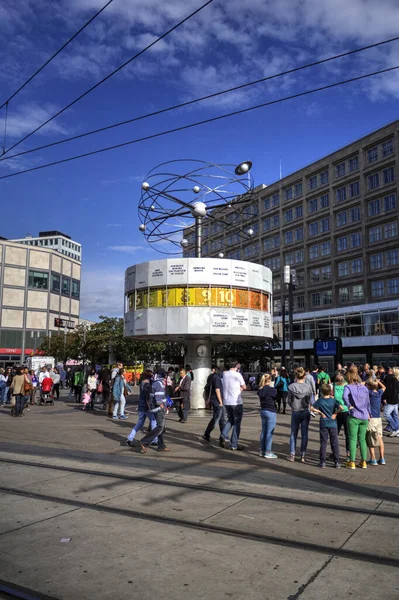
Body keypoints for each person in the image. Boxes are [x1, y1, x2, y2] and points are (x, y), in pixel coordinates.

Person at [343, 367, 371, 470]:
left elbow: (344, 397)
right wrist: (369, 413)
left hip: (354, 415)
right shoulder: (364, 388)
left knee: (352, 439)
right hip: (364, 415)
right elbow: (368, 402)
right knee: (362, 439)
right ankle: (363, 462)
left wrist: (349, 405)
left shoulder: (348, 387)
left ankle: (352, 462)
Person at [311, 383, 341, 468]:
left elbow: (311, 408)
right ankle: (337, 462)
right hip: (333, 423)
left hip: (324, 422)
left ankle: (322, 462)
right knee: (334, 442)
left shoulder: (320, 400)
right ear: (330, 391)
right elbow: (341, 407)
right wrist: (335, 413)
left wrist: (320, 412)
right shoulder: (333, 400)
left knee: (323, 443)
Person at [139, 371, 170, 453]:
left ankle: (161, 445)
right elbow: (158, 397)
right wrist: (161, 404)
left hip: (157, 408)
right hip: (159, 408)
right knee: (160, 427)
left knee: (160, 427)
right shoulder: (159, 384)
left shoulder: (155, 383)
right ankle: (144, 441)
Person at [287, 367, 313, 462]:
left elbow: (288, 401)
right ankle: (303, 455)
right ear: (304, 376)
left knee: (293, 433)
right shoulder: (308, 387)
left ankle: (292, 454)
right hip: (305, 410)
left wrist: (293, 405)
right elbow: (311, 400)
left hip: (295, 410)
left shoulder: (291, 387)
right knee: (304, 433)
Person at [125, 370, 157, 446]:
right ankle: (154, 440)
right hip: (146, 407)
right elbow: (147, 398)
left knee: (140, 423)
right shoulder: (146, 385)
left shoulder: (142, 383)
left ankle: (129, 438)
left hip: (141, 406)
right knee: (153, 421)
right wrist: (150, 407)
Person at [220, 361, 246, 451]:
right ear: (236, 366)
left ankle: (223, 434)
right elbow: (245, 387)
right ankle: (234, 444)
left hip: (227, 401)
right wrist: (240, 388)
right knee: (237, 423)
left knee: (230, 419)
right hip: (236, 402)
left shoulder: (224, 374)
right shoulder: (237, 375)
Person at [365, 378, 386, 465]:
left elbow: (364, 388)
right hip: (378, 418)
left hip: (371, 418)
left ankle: (373, 458)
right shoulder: (379, 393)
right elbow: (384, 387)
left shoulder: (369, 393)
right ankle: (382, 458)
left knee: (370, 438)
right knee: (379, 438)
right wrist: (378, 382)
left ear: (369, 386)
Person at [202, 366, 225, 442]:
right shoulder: (217, 378)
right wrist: (221, 401)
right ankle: (207, 434)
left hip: (215, 401)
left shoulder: (213, 377)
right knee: (216, 419)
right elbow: (217, 390)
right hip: (218, 402)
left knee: (221, 419)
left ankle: (223, 435)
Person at [257, 373, 278, 458]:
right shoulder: (271, 390)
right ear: (269, 380)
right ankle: (268, 452)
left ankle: (262, 450)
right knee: (269, 432)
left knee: (264, 431)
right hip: (271, 411)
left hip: (263, 410)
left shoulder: (260, 390)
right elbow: (276, 396)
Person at [382, 367, 399, 436]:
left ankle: (395, 428)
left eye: (390, 370)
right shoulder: (396, 379)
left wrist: (385, 397)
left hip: (391, 399)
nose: (389, 371)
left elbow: (388, 389)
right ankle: (397, 429)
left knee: (386, 414)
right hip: (396, 399)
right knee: (395, 415)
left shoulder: (390, 378)